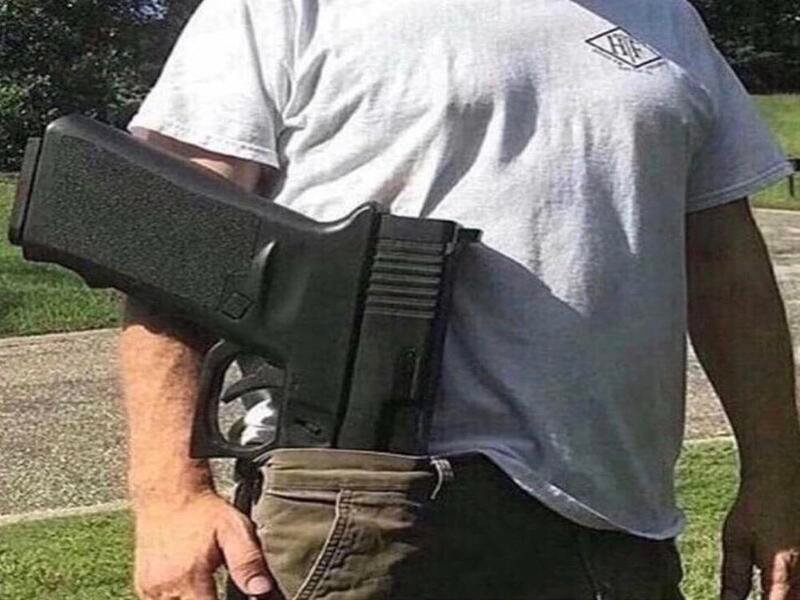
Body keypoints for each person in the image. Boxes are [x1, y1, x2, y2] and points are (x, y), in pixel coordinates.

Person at [120, 0, 800, 598]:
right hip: (362, 500)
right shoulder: (281, 9)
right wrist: (169, 494)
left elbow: (725, 268)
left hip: (618, 518)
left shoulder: (665, 18)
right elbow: (171, 249)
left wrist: (776, 478)